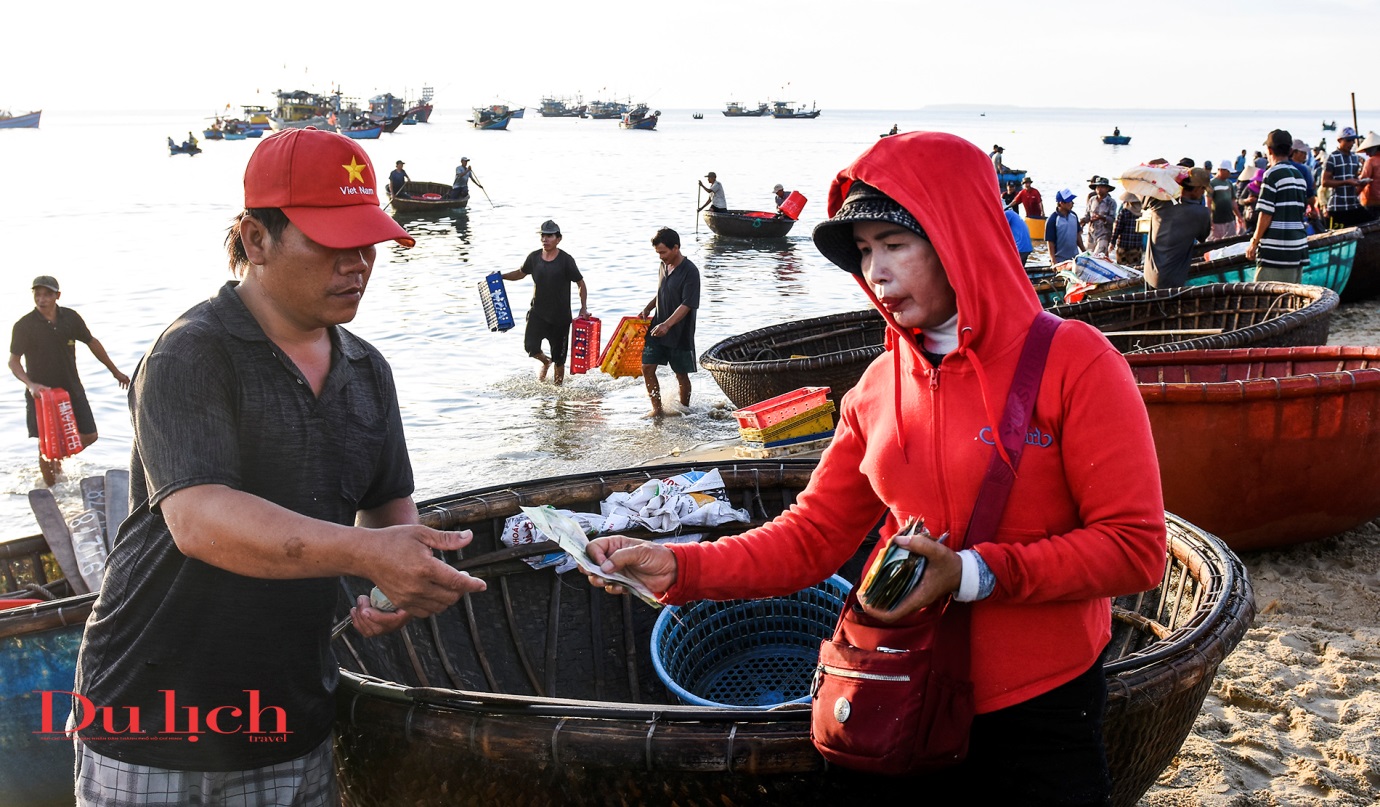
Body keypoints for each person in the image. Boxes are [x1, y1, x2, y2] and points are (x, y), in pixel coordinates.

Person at [585, 132, 1165, 803]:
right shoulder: (876, 387)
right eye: (863, 252)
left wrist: (974, 574)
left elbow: (1136, 549)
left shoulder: (1076, 362)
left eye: (894, 245)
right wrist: (680, 567)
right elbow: (810, 537)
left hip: (1041, 707)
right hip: (900, 693)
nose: (877, 272)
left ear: (957, 239)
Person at [71, 127, 485, 806]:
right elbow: (201, 520)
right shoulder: (191, 354)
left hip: (290, 717)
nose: (356, 263)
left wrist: (395, 584)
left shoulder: (367, 370)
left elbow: (388, 508)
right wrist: (369, 551)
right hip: (151, 720)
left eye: (367, 242)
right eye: (330, 242)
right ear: (255, 239)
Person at [9, 276, 130, 486]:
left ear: (57, 296)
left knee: (90, 434)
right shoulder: (24, 325)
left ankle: (59, 459)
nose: (41, 299)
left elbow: (92, 342)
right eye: (37, 294)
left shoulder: (70, 318)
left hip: (71, 388)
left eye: (47, 294)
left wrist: (115, 371)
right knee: (45, 445)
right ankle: (52, 489)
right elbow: (14, 362)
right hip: (42, 394)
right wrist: (31, 385)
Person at [500, 220, 589, 385]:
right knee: (530, 347)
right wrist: (502, 276)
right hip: (538, 314)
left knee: (560, 359)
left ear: (558, 238)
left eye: (549, 236)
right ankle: (545, 362)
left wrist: (583, 307)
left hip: (560, 318)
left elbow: (580, 283)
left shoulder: (566, 260)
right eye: (543, 235)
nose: (545, 239)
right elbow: (521, 273)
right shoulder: (534, 258)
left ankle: (558, 392)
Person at [638, 227, 700, 418]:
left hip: (679, 331)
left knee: (681, 374)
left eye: (663, 252)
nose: (660, 257)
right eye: (658, 253)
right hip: (657, 326)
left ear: (676, 248)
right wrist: (649, 307)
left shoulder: (690, 271)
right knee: (647, 367)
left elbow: (688, 304)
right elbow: (662, 291)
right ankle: (657, 410)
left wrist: (668, 325)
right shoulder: (664, 265)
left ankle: (684, 410)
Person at [1248, 129, 1311, 283]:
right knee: (1290, 300)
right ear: (1290, 150)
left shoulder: (1271, 174)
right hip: (1298, 247)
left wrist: (1254, 242)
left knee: (1267, 299)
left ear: (1269, 151)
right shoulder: (1299, 176)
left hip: (1277, 251)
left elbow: (1266, 214)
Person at [1143, 168, 1212, 289]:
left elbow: (1145, 181)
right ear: (1196, 189)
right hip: (1173, 280)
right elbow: (1202, 236)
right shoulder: (1201, 213)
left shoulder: (1159, 202)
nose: (1203, 193)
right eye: (1203, 189)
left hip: (1150, 277)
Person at [1323, 127, 1379, 228]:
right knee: (1338, 236)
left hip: (1353, 204)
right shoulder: (1332, 157)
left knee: (1371, 225)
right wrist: (1346, 182)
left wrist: (1359, 182)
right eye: (1348, 140)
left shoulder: (1354, 158)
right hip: (1338, 206)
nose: (1351, 143)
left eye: (1353, 140)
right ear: (1340, 140)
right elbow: (1325, 182)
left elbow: (1354, 177)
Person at [1080, 176, 1118, 254]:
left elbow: (1112, 219)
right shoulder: (1092, 200)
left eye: (1102, 187)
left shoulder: (1111, 202)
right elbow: (1087, 215)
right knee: (1088, 256)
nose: (1100, 189)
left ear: (1107, 189)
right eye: (1098, 187)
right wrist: (1082, 221)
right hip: (1091, 234)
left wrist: (1101, 217)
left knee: (1098, 256)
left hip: (1104, 234)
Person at [1045, 188, 1084, 263]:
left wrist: (1084, 251)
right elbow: (1050, 242)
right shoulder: (1053, 220)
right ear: (1061, 203)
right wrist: (1053, 260)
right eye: (1069, 201)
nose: (1072, 203)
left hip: (1074, 258)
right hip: (1059, 260)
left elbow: (1077, 235)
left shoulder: (1074, 216)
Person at [1108, 191, 1145, 267]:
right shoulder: (1143, 213)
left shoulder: (1124, 211)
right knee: (1135, 270)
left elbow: (1117, 228)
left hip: (1123, 246)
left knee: (1122, 269)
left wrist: (1112, 242)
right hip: (1136, 247)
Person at [1209, 160, 1243, 239]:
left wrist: (1239, 216)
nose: (1229, 174)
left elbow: (1233, 202)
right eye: (1228, 171)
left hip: (1230, 219)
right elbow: (1209, 203)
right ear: (1221, 170)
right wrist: (1210, 221)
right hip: (1217, 221)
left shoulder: (1229, 183)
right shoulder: (1212, 183)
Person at [1359, 131, 1380, 213]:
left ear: (1374, 148)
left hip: (1372, 201)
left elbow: (1363, 180)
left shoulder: (1371, 161)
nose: (1367, 154)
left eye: (1367, 150)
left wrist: (1354, 194)